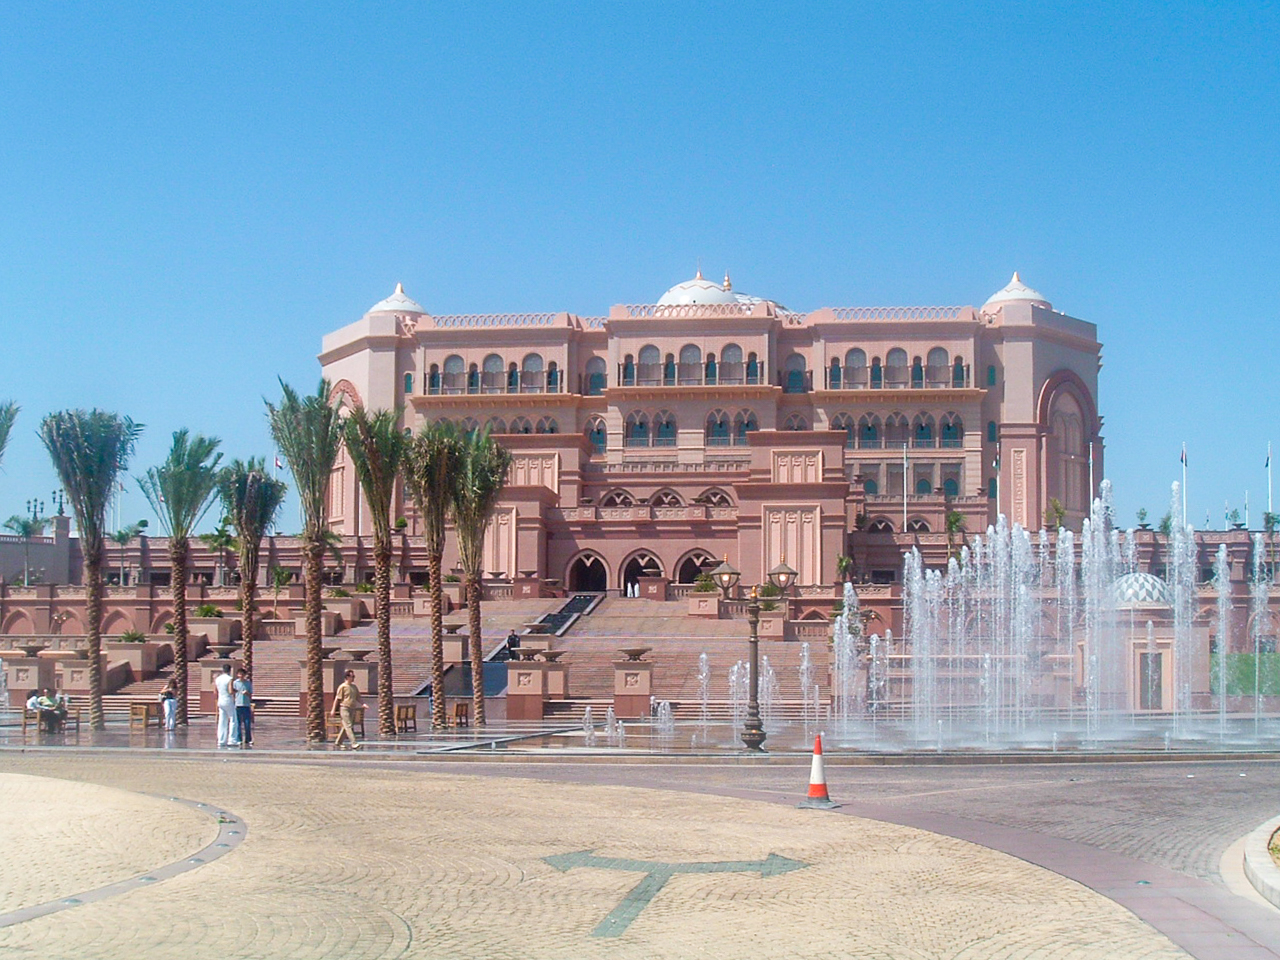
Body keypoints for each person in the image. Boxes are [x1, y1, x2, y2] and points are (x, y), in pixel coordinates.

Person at [332, 669, 362, 750]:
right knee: (348, 726)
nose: (353, 678)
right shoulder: (342, 687)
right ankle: (354, 743)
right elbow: (337, 699)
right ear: (347, 677)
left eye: (354, 677)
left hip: (352, 708)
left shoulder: (354, 687)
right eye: (352, 676)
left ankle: (338, 742)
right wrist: (333, 710)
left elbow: (358, 697)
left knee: (347, 726)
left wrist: (363, 704)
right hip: (344, 708)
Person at [214, 664, 238, 746]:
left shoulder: (218, 679)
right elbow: (230, 691)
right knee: (233, 720)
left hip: (220, 700)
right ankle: (232, 739)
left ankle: (221, 740)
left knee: (222, 721)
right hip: (228, 700)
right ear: (229, 670)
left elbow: (215, 691)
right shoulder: (229, 679)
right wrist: (236, 691)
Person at [233, 668, 253, 747]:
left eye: (242, 674)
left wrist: (247, 693)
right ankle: (239, 739)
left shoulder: (248, 683)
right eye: (239, 674)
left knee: (247, 723)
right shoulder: (235, 683)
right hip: (238, 705)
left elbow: (251, 694)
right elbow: (233, 692)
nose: (241, 676)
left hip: (246, 705)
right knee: (238, 723)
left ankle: (248, 739)